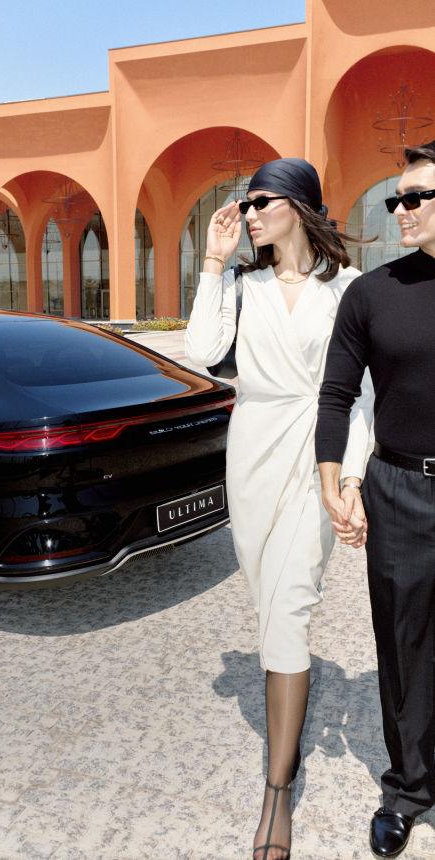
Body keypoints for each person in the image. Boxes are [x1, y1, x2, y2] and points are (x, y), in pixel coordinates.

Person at [185, 158, 373, 860]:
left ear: (297, 205)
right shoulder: (243, 284)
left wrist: (349, 478)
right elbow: (205, 353)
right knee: (269, 608)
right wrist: (212, 262)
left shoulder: (348, 291)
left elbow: (362, 397)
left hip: (315, 452)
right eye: (246, 203)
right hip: (252, 452)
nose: (249, 214)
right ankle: (284, 736)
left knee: (292, 603)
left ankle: (276, 792)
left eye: (260, 202)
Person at [315, 140, 435, 858]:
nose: (400, 210)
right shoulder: (371, 293)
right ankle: (408, 789)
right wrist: (338, 483)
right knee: (404, 647)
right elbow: (335, 396)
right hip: (398, 490)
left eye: (416, 196)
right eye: (396, 198)